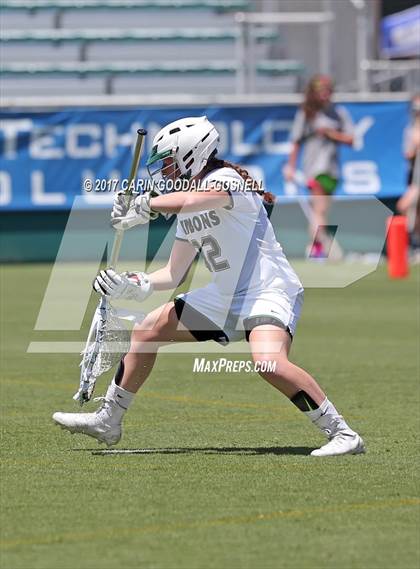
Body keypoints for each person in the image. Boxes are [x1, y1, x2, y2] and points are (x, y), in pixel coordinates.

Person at [53, 116, 365, 457]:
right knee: (146, 331)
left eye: (169, 163)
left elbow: (192, 201)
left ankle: (343, 433)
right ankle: (108, 420)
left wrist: (146, 205)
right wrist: (132, 284)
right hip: (224, 295)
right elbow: (173, 275)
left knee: (269, 363)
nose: (165, 172)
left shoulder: (225, 180)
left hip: (267, 290)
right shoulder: (189, 202)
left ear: (193, 155)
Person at [283, 75, 354, 259]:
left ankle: (314, 247)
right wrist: (290, 167)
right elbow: (296, 142)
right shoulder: (306, 113)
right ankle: (326, 248)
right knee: (319, 210)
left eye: (327, 90)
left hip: (332, 169)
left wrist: (331, 134)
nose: (325, 94)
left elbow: (351, 139)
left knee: (319, 211)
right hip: (314, 168)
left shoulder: (339, 113)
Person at [397, 94, 420, 251]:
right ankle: (414, 243)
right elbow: (408, 153)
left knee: (406, 206)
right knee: (407, 207)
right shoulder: (411, 129)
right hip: (415, 176)